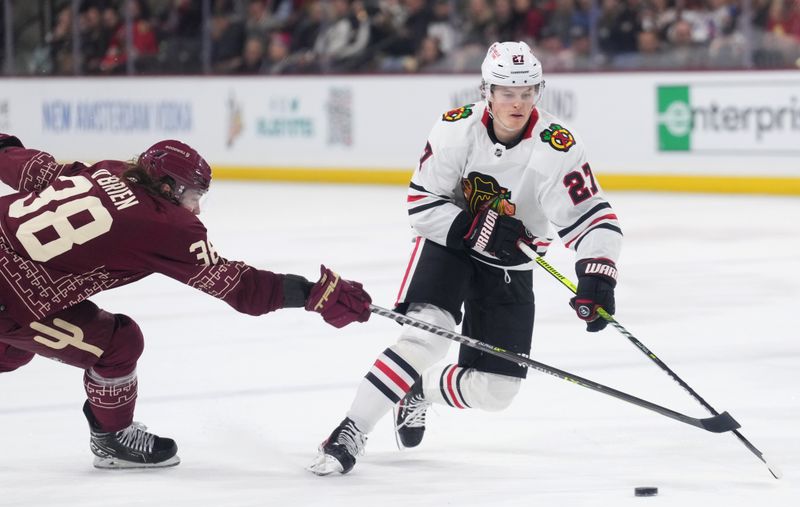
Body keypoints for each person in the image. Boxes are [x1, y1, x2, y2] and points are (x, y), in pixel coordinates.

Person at [309, 41, 622, 475]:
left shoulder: (558, 146)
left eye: (527, 91)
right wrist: (476, 229)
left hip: (511, 264)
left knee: (497, 391)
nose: (518, 102)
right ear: (486, 91)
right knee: (427, 336)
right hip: (449, 246)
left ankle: (415, 388)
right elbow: (421, 203)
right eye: (507, 92)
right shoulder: (455, 129)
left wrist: (598, 275)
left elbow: (590, 216)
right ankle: (350, 429)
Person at [0, 134, 371, 469]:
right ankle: (113, 438)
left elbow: (31, 167)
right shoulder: (168, 227)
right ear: (167, 186)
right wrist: (313, 294)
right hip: (9, 301)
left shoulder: (106, 171)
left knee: (13, 352)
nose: (196, 208)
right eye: (193, 195)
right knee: (118, 343)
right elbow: (241, 288)